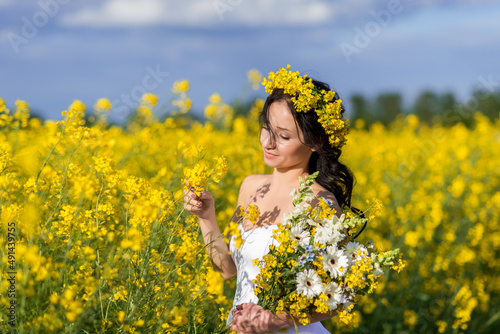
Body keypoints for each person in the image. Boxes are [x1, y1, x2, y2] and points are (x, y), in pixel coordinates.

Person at [184, 66, 356, 334]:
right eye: (267, 129)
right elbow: (228, 269)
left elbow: (341, 295)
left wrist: (278, 319)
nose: (268, 143)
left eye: (284, 136)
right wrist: (206, 218)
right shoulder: (251, 186)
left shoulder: (320, 202)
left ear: (315, 142)